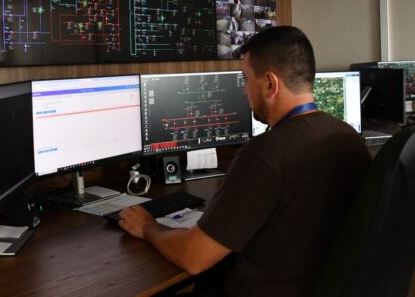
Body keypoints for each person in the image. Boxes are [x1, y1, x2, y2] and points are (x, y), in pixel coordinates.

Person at [118, 26, 372, 297]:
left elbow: (194, 257)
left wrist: (148, 227)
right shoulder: (348, 138)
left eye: (245, 79)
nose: (243, 91)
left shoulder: (265, 154)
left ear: (270, 84)